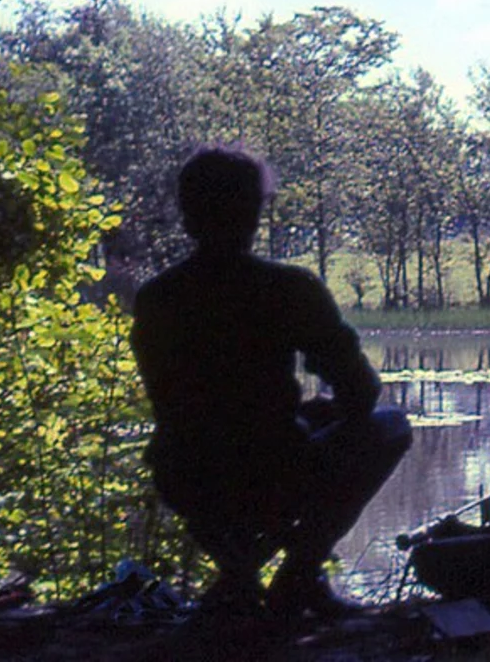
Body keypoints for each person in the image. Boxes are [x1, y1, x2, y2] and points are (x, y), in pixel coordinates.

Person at [131, 147, 411, 616]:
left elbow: (184, 403)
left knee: (245, 448)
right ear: (252, 213)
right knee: (390, 427)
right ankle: (298, 575)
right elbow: (362, 392)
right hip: (271, 471)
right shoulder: (288, 289)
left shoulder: (158, 296)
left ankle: (237, 578)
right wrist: (323, 412)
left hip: (186, 474)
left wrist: (302, 414)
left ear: (187, 214)